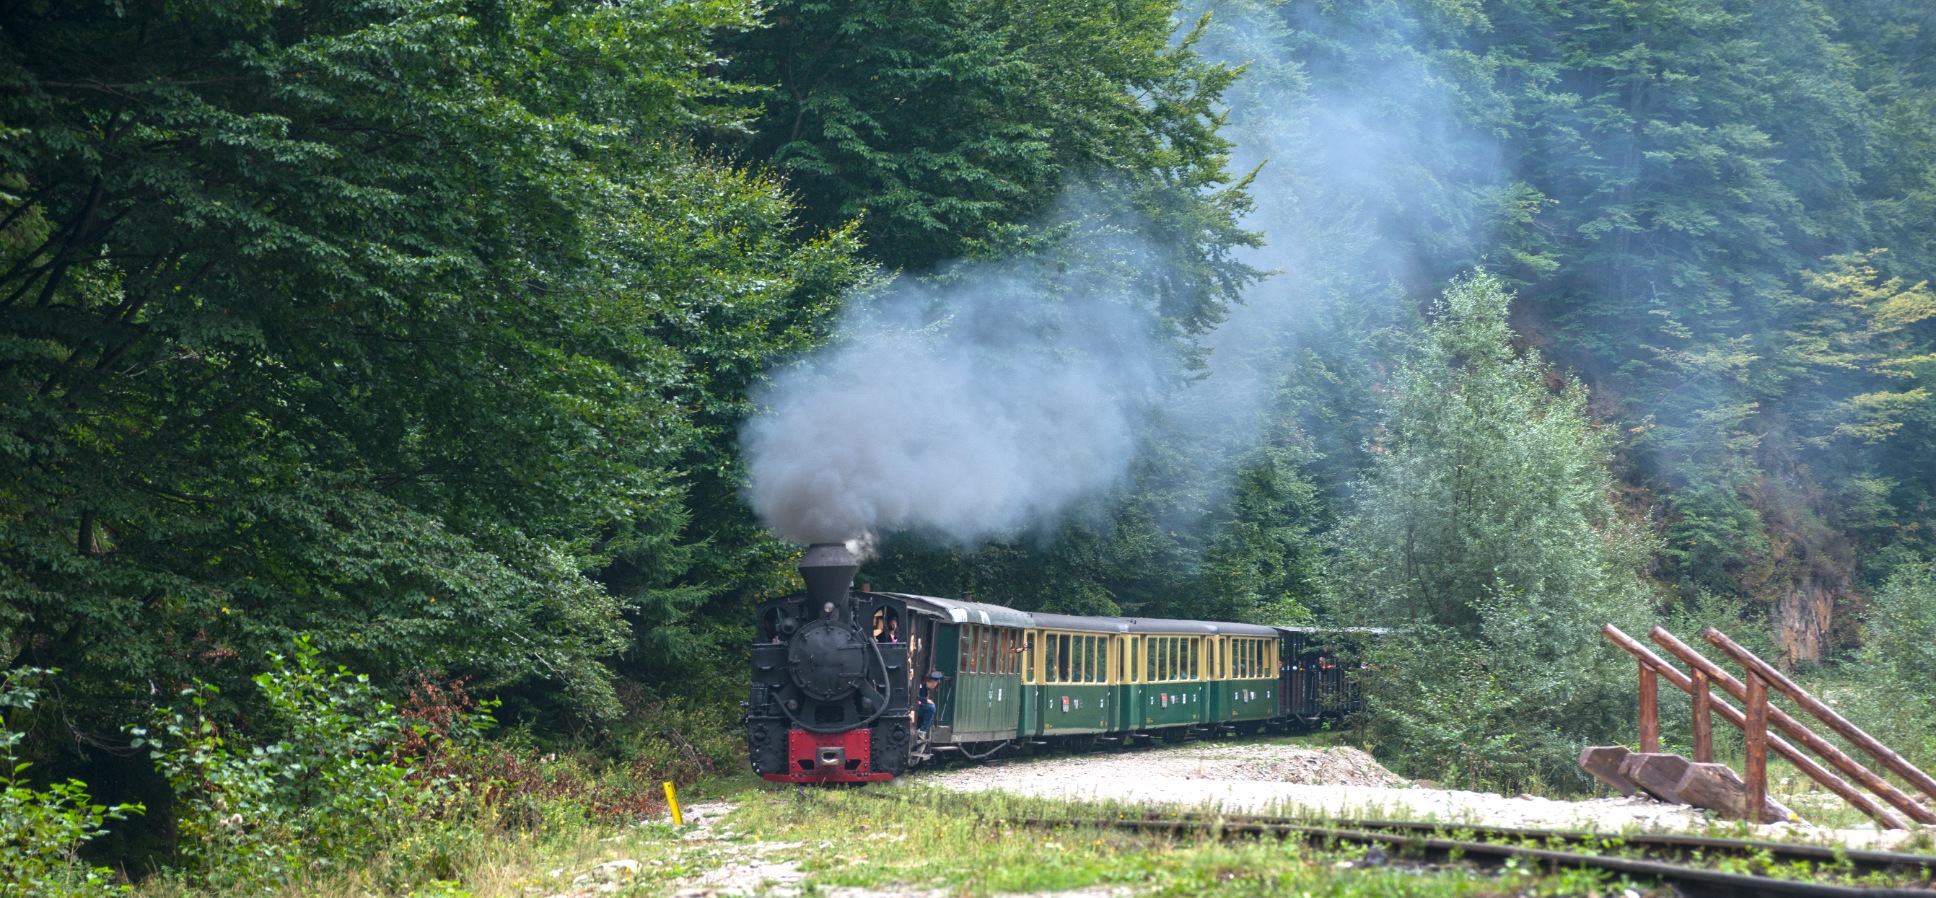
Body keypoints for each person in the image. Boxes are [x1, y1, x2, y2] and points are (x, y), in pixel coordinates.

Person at [916, 670, 943, 735]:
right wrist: (926, 700)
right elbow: (915, 696)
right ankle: (922, 731)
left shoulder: (926, 687)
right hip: (914, 708)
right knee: (931, 708)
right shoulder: (921, 686)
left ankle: (920, 728)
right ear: (934, 682)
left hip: (918, 707)